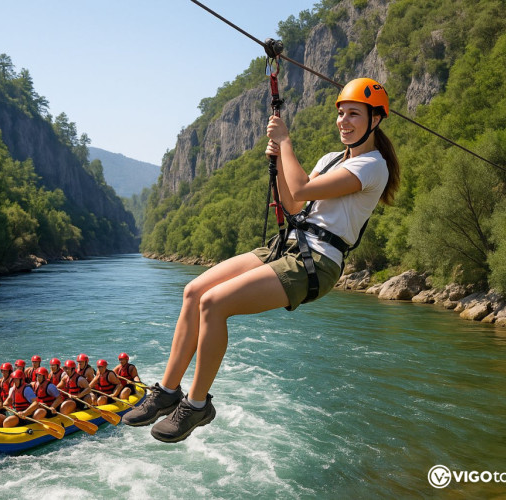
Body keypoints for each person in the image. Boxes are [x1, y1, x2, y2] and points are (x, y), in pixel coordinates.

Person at [122, 78, 400, 443]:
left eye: (354, 114)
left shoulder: (372, 166)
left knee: (214, 303)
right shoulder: (331, 160)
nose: (343, 121)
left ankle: (197, 404)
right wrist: (278, 164)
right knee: (194, 291)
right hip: (288, 245)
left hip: (316, 261)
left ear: (374, 120)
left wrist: (285, 143)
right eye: (341, 114)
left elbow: (300, 188)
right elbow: (294, 203)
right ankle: (168, 391)